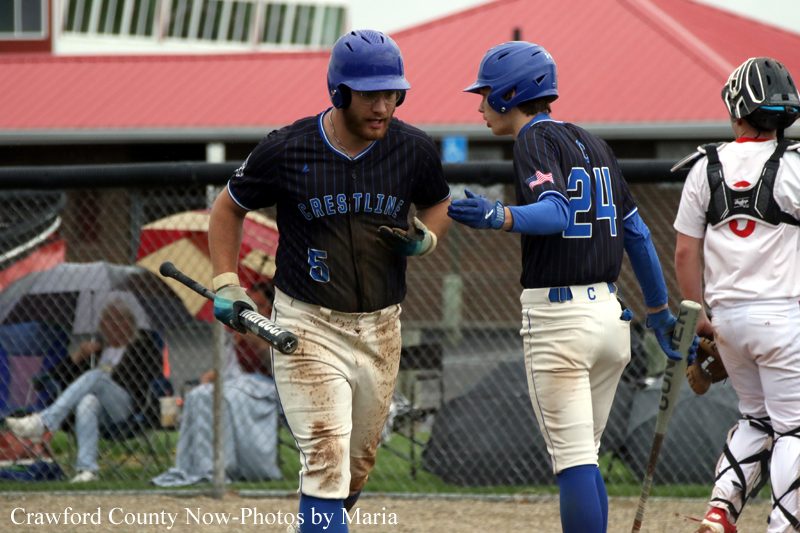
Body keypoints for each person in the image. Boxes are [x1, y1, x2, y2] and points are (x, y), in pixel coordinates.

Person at [208, 30, 451, 533]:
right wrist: (227, 280)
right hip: (308, 324)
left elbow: (438, 201)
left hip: (383, 327)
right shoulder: (288, 148)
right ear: (338, 93)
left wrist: (426, 237)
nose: (384, 106)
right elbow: (228, 207)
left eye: (393, 94)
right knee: (325, 460)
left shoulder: (413, 149)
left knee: (355, 466)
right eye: (370, 95)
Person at [449, 41, 697, 533]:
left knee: (574, 462)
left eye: (485, 93)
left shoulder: (531, 141)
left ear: (510, 93)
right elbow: (639, 234)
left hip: (560, 321)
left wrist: (498, 215)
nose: (479, 105)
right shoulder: (595, 142)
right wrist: (660, 313)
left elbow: (557, 212)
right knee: (586, 457)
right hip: (610, 318)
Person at [673, 57, 800, 533]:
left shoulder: (704, 166)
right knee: (793, 428)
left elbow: (686, 253)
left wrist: (699, 319)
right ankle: (783, 526)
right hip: (785, 317)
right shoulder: (793, 167)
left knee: (756, 420)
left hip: (725, 321)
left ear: (737, 109)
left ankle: (719, 511)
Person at [5, 298, 162, 483]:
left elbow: (146, 378)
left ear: (131, 323)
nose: (115, 324)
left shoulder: (143, 345)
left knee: (96, 376)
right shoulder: (95, 351)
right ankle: (87, 470)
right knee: (88, 401)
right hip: (99, 414)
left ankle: (44, 422)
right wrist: (78, 355)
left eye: (121, 319)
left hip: (126, 409)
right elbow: (56, 376)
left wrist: (107, 375)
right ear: (102, 325)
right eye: (109, 320)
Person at [152, 281, 282, 486]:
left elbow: (275, 364)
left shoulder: (278, 329)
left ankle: (224, 466)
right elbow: (227, 367)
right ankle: (199, 466)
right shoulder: (236, 331)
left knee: (225, 396)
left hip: (267, 389)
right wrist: (213, 374)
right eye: (249, 305)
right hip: (238, 383)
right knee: (199, 394)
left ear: (270, 308)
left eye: (257, 305)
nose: (252, 310)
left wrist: (254, 336)